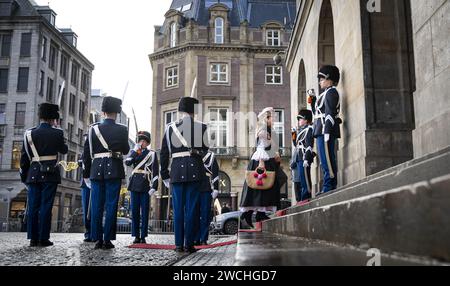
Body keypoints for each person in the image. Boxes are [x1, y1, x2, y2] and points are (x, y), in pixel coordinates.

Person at [160, 97, 209, 253]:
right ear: (194, 111)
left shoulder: (169, 128)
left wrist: (165, 175)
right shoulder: (201, 127)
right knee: (192, 209)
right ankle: (189, 244)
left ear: (180, 110)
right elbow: (205, 150)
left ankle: (178, 244)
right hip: (195, 171)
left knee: (178, 209)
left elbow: (163, 154)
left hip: (176, 172)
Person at [82, 96, 130, 250]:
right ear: (117, 112)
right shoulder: (122, 129)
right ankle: (107, 239)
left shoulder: (93, 129)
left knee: (96, 205)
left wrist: (86, 173)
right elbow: (126, 150)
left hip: (96, 170)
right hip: (114, 170)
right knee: (111, 205)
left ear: (103, 112)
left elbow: (87, 153)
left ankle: (96, 238)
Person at [20, 103, 68, 247]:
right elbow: (64, 150)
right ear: (54, 118)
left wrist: (25, 177)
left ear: (40, 116)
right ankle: (43, 238)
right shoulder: (57, 133)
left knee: (33, 206)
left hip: (33, 174)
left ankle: (33, 238)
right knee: (46, 206)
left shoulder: (29, 133)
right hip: (50, 174)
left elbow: (24, 158)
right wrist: (60, 132)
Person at [240, 107, 281, 227]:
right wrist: (262, 162)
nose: (274, 119)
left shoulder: (268, 129)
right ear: (266, 118)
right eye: (272, 117)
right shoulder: (263, 129)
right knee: (259, 186)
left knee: (266, 187)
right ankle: (249, 214)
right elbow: (261, 146)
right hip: (261, 160)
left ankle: (260, 214)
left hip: (266, 159)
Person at [311, 65, 341, 195]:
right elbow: (316, 112)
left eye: (322, 78)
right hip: (320, 130)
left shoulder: (332, 92)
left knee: (327, 159)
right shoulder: (325, 93)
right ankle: (328, 184)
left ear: (329, 79)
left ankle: (329, 185)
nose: (320, 81)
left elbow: (330, 113)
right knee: (324, 159)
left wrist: (327, 131)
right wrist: (312, 101)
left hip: (325, 130)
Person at [125, 131, 159, 244]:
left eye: (144, 141)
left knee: (145, 212)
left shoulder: (152, 154)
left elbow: (155, 172)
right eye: (140, 140)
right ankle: (136, 235)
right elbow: (128, 162)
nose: (142, 143)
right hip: (134, 184)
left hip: (145, 184)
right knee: (134, 211)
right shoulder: (134, 152)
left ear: (147, 143)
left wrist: (154, 187)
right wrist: (135, 151)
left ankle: (143, 235)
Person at [194, 151, 219, 246]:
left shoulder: (211, 155)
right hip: (194, 187)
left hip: (206, 187)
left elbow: (215, 172)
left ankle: (203, 238)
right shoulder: (192, 153)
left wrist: (216, 188)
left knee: (205, 215)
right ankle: (195, 238)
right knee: (194, 214)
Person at [292, 110, 314, 202]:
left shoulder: (309, 129)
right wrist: (293, 134)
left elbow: (309, 145)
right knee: (301, 178)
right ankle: (303, 197)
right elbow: (296, 144)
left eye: (301, 119)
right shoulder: (302, 130)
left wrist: (307, 158)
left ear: (306, 120)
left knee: (305, 178)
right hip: (299, 157)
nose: (299, 121)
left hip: (304, 156)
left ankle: (306, 196)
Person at [78, 150, 93, 243]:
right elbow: (80, 162)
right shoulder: (85, 151)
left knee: (96, 209)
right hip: (86, 182)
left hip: (97, 180)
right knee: (86, 208)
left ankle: (95, 232)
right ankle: (88, 233)